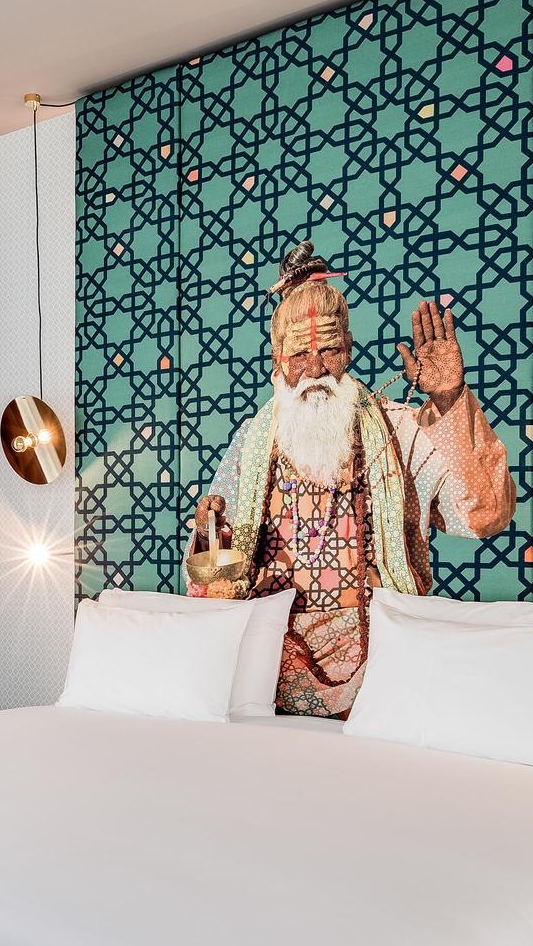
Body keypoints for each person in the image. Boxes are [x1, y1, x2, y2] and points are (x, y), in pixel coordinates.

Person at [187, 242, 515, 716]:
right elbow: (215, 577)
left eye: (330, 350)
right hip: (266, 669)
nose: (316, 369)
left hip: (380, 666)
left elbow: (484, 514)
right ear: (277, 358)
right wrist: (210, 533)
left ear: (349, 348)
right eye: (300, 353)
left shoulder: (398, 429)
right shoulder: (251, 442)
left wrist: (449, 399)